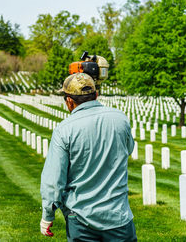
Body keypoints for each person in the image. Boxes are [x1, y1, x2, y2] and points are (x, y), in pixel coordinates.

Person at [40, 72, 137, 241]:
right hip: (118, 215)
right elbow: (128, 149)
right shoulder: (120, 119)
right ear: (96, 95)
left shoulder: (64, 130)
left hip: (81, 219)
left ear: (69, 101)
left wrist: (48, 215)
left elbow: (54, 180)